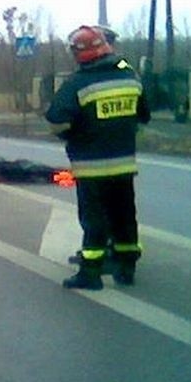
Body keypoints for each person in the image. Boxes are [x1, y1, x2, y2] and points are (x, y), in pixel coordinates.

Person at [45, 25, 150, 290]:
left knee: (94, 220)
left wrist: (76, 135)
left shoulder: (78, 83)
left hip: (91, 167)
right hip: (124, 164)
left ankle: (90, 273)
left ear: (78, 53)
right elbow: (144, 115)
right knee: (125, 216)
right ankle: (126, 268)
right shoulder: (130, 76)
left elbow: (57, 121)